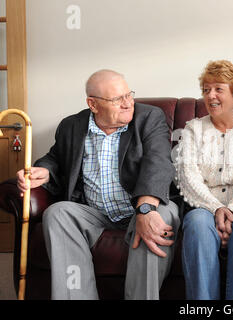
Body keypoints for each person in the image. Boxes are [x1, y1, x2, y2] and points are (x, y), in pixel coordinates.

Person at [16, 69, 180, 300]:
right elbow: (55, 157)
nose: (127, 103)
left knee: (159, 215)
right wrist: (45, 170)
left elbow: (158, 162)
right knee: (58, 213)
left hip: (141, 205)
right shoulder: (72, 126)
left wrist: (145, 209)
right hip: (95, 212)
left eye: (128, 95)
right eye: (117, 99)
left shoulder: (149, 117)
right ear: (93, 104)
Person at [175, 60, 233, 300]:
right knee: (196, 223)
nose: (210, 96)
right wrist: (217, 208)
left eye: (218, 89)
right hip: (204, 207)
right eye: (206, 90)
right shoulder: (193, 129)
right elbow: (187, 177)